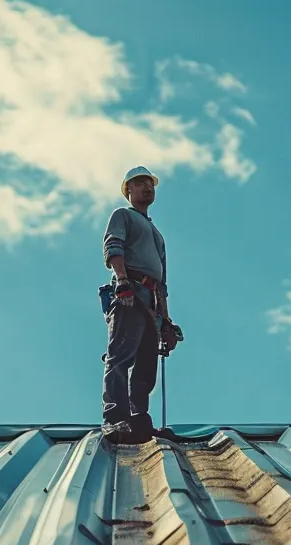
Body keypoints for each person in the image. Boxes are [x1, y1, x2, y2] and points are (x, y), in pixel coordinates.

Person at [99, 166, 181, 444]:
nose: (147, 188)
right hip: (130, 291)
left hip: (151, 299)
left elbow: (162, 282)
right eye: (140, 184)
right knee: (121, 356)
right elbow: (114, 247)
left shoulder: (157, 235)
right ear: (128, 191)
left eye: (150, 184)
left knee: (146, 365)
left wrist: (166, 320)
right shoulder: (123, 216)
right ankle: (115, 419)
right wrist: (122, 282)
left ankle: (139, 421)